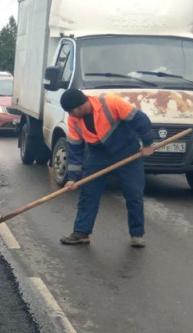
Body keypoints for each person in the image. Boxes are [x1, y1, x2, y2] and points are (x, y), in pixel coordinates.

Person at [58, 88, 156, 248]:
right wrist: (72, 179)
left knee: (133, 193)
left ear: (79, 106)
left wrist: (147, 144)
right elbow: (75, 150)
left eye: (71, 111)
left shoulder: (110, 102)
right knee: (88, 192)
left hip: (126, 150)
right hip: (97, 153)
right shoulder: (74, 120)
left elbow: (140, 119)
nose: (70, 115)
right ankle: (81, 233)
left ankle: (137, 235)